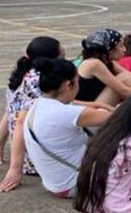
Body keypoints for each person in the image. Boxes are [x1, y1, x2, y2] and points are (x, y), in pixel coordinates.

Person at [20, 58, 110, 197]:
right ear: (68, 85)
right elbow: (117, 119)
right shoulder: (66, 113)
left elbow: (90, 108)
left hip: (55, 183)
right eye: (78, 82)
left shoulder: (39, 104)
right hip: (74, 184)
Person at [0, 36, 63, 192]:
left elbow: (9, 111)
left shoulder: (21, 75)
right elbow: (21, 121)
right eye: (62, 55)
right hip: (39, 158)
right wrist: (15, 169)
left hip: (27, 156)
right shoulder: (41, 81)